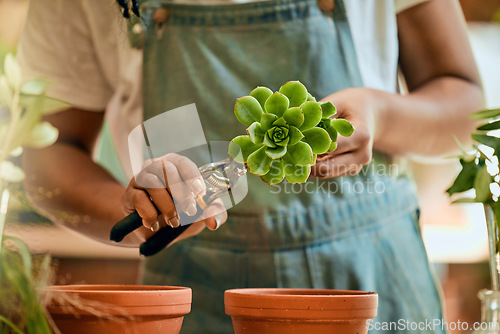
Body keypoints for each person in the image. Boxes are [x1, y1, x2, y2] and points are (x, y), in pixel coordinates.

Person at [18, 0, 483, 333]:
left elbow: (465, 105)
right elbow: (48, 156)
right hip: (194, 295)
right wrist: (142, 212)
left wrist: (381, 114)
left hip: (371, 282)